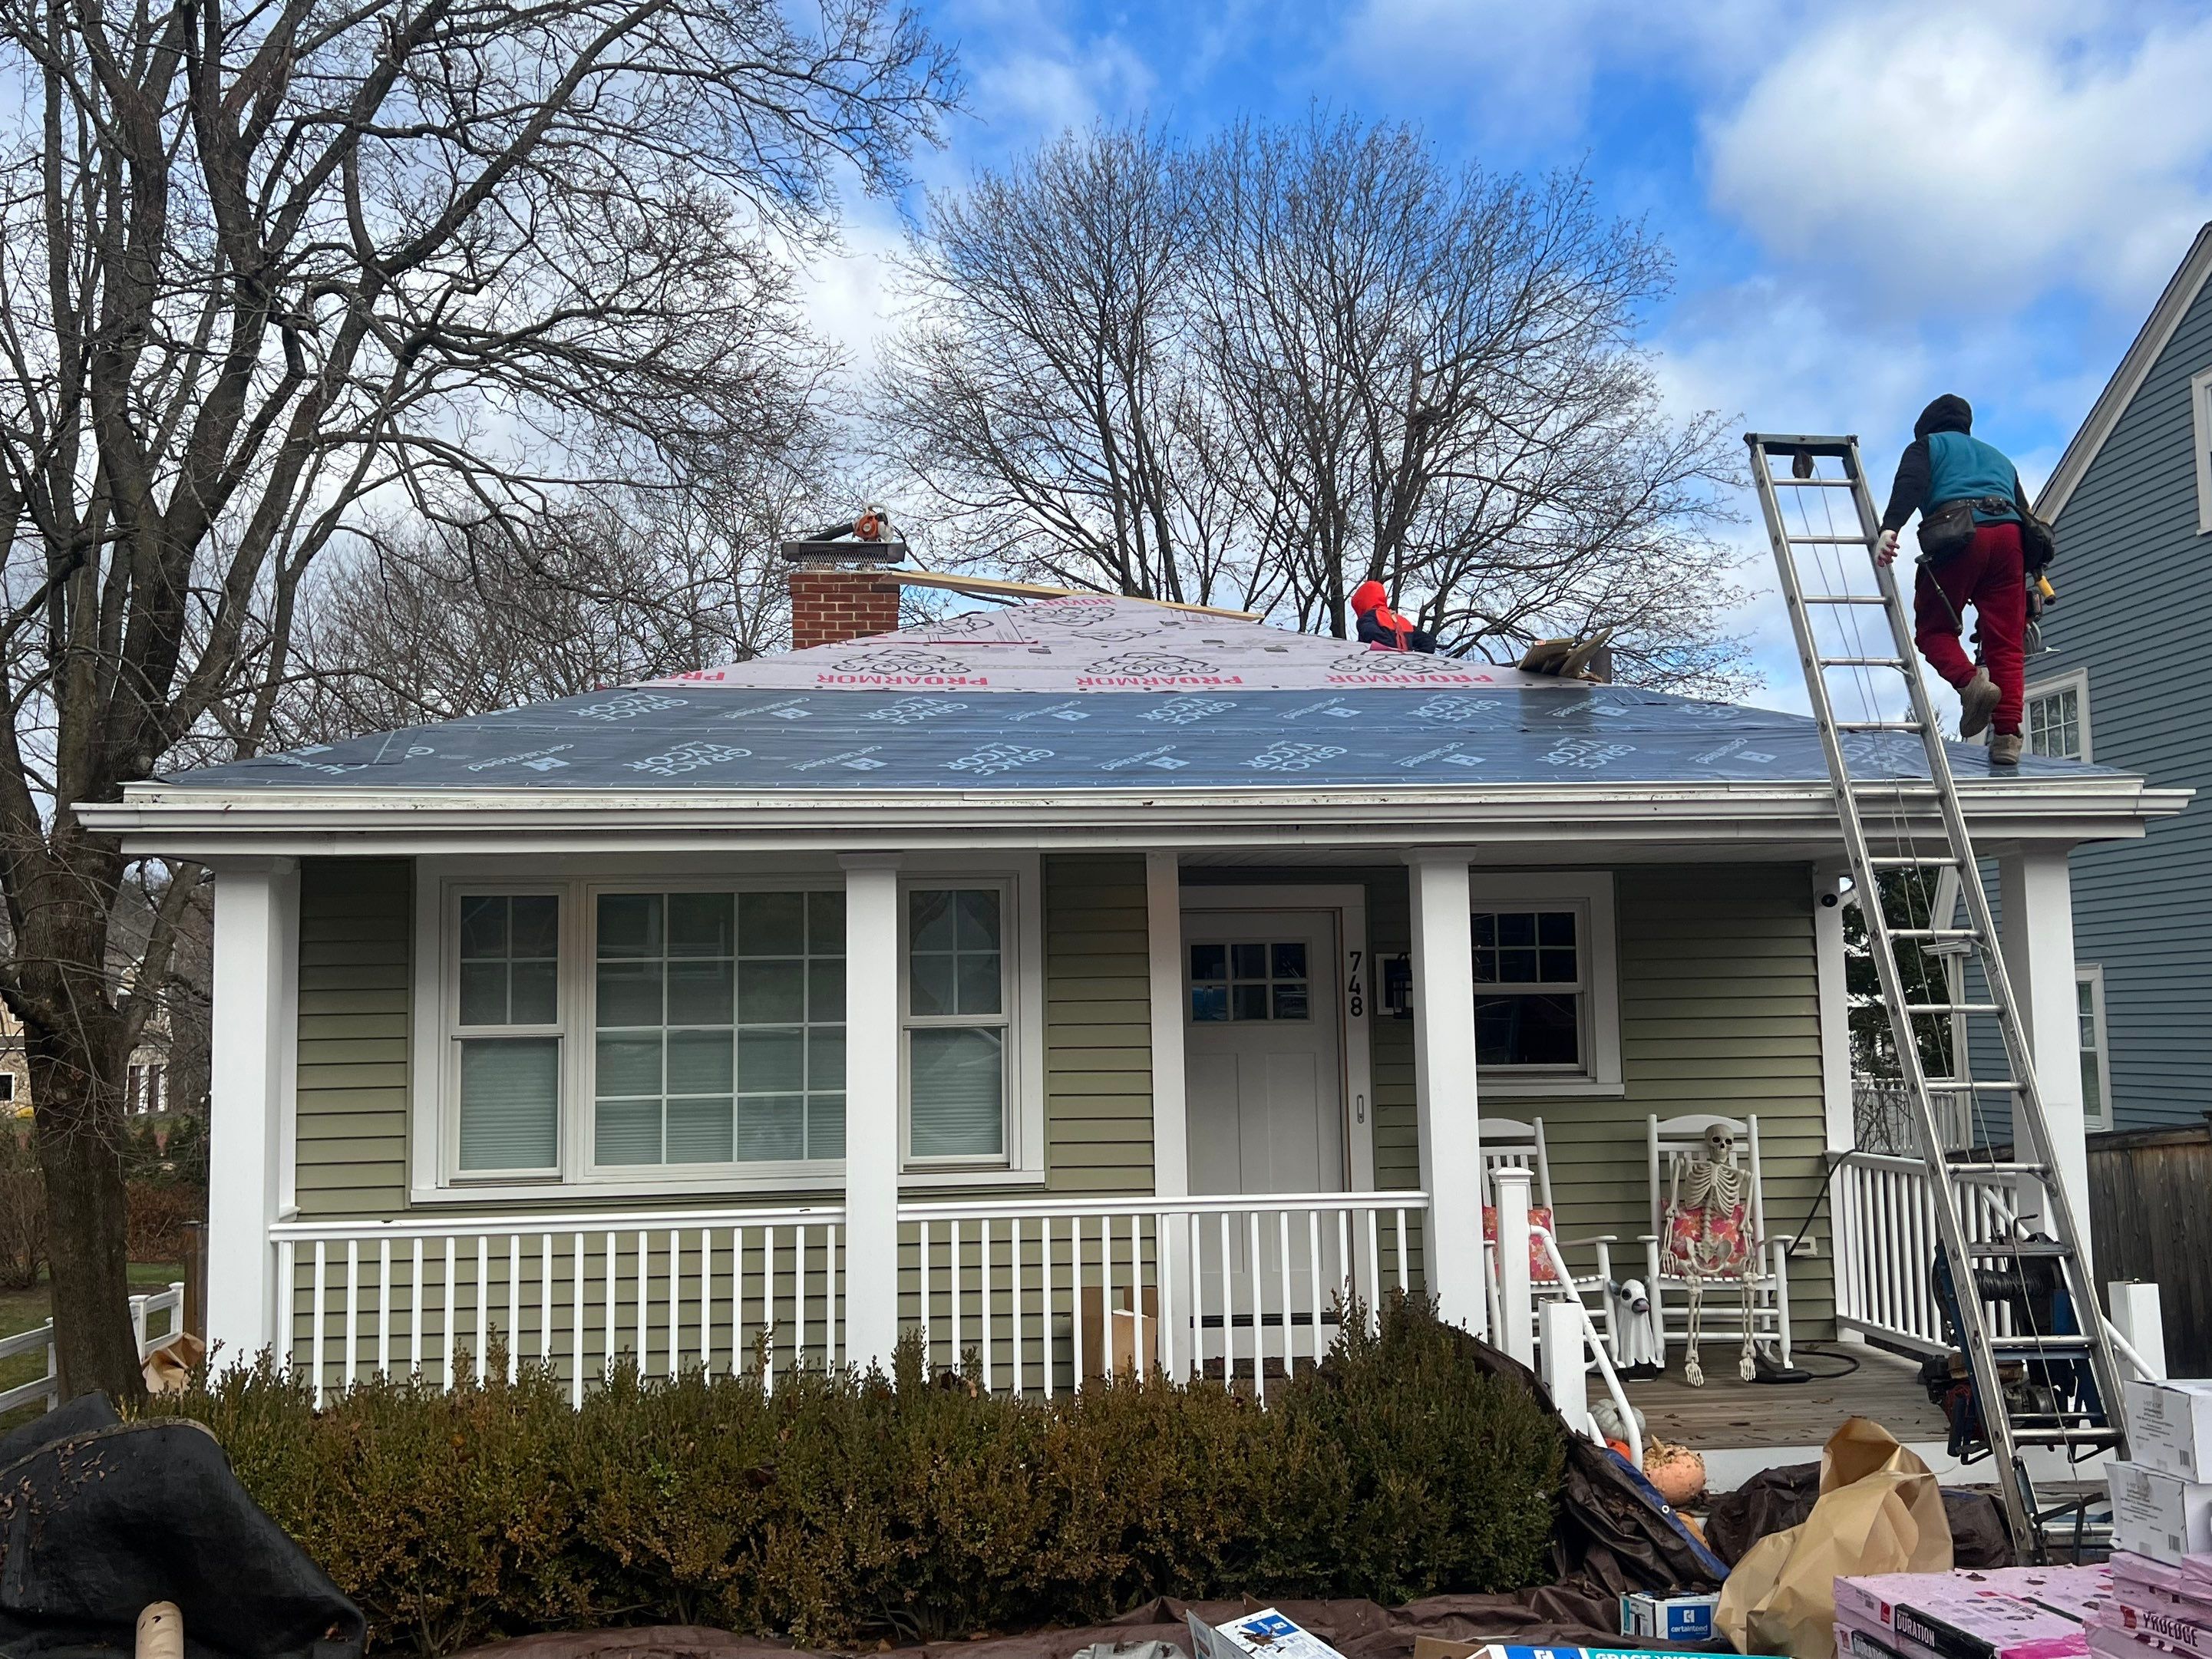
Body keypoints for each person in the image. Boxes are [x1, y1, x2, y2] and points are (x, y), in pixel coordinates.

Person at [1874, 394, 2038, 765]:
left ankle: (1970, 685)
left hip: (1958, 534)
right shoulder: (1999, 458)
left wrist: (1890, 528)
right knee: (2006, 643)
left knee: (1934, 632)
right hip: (2010, 540)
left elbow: (1910, 485)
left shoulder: (1927, 447)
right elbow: (2026, 513)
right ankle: (2008, 739)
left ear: (1927, 427)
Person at [1349, 579, 1438, 652]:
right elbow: (1429, 642)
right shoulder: (1401, 620)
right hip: (1404, 670)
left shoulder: (1368, 618)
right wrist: (1415, 660)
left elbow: (1370, 634)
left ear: (1361, 603)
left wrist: (1393, 651)